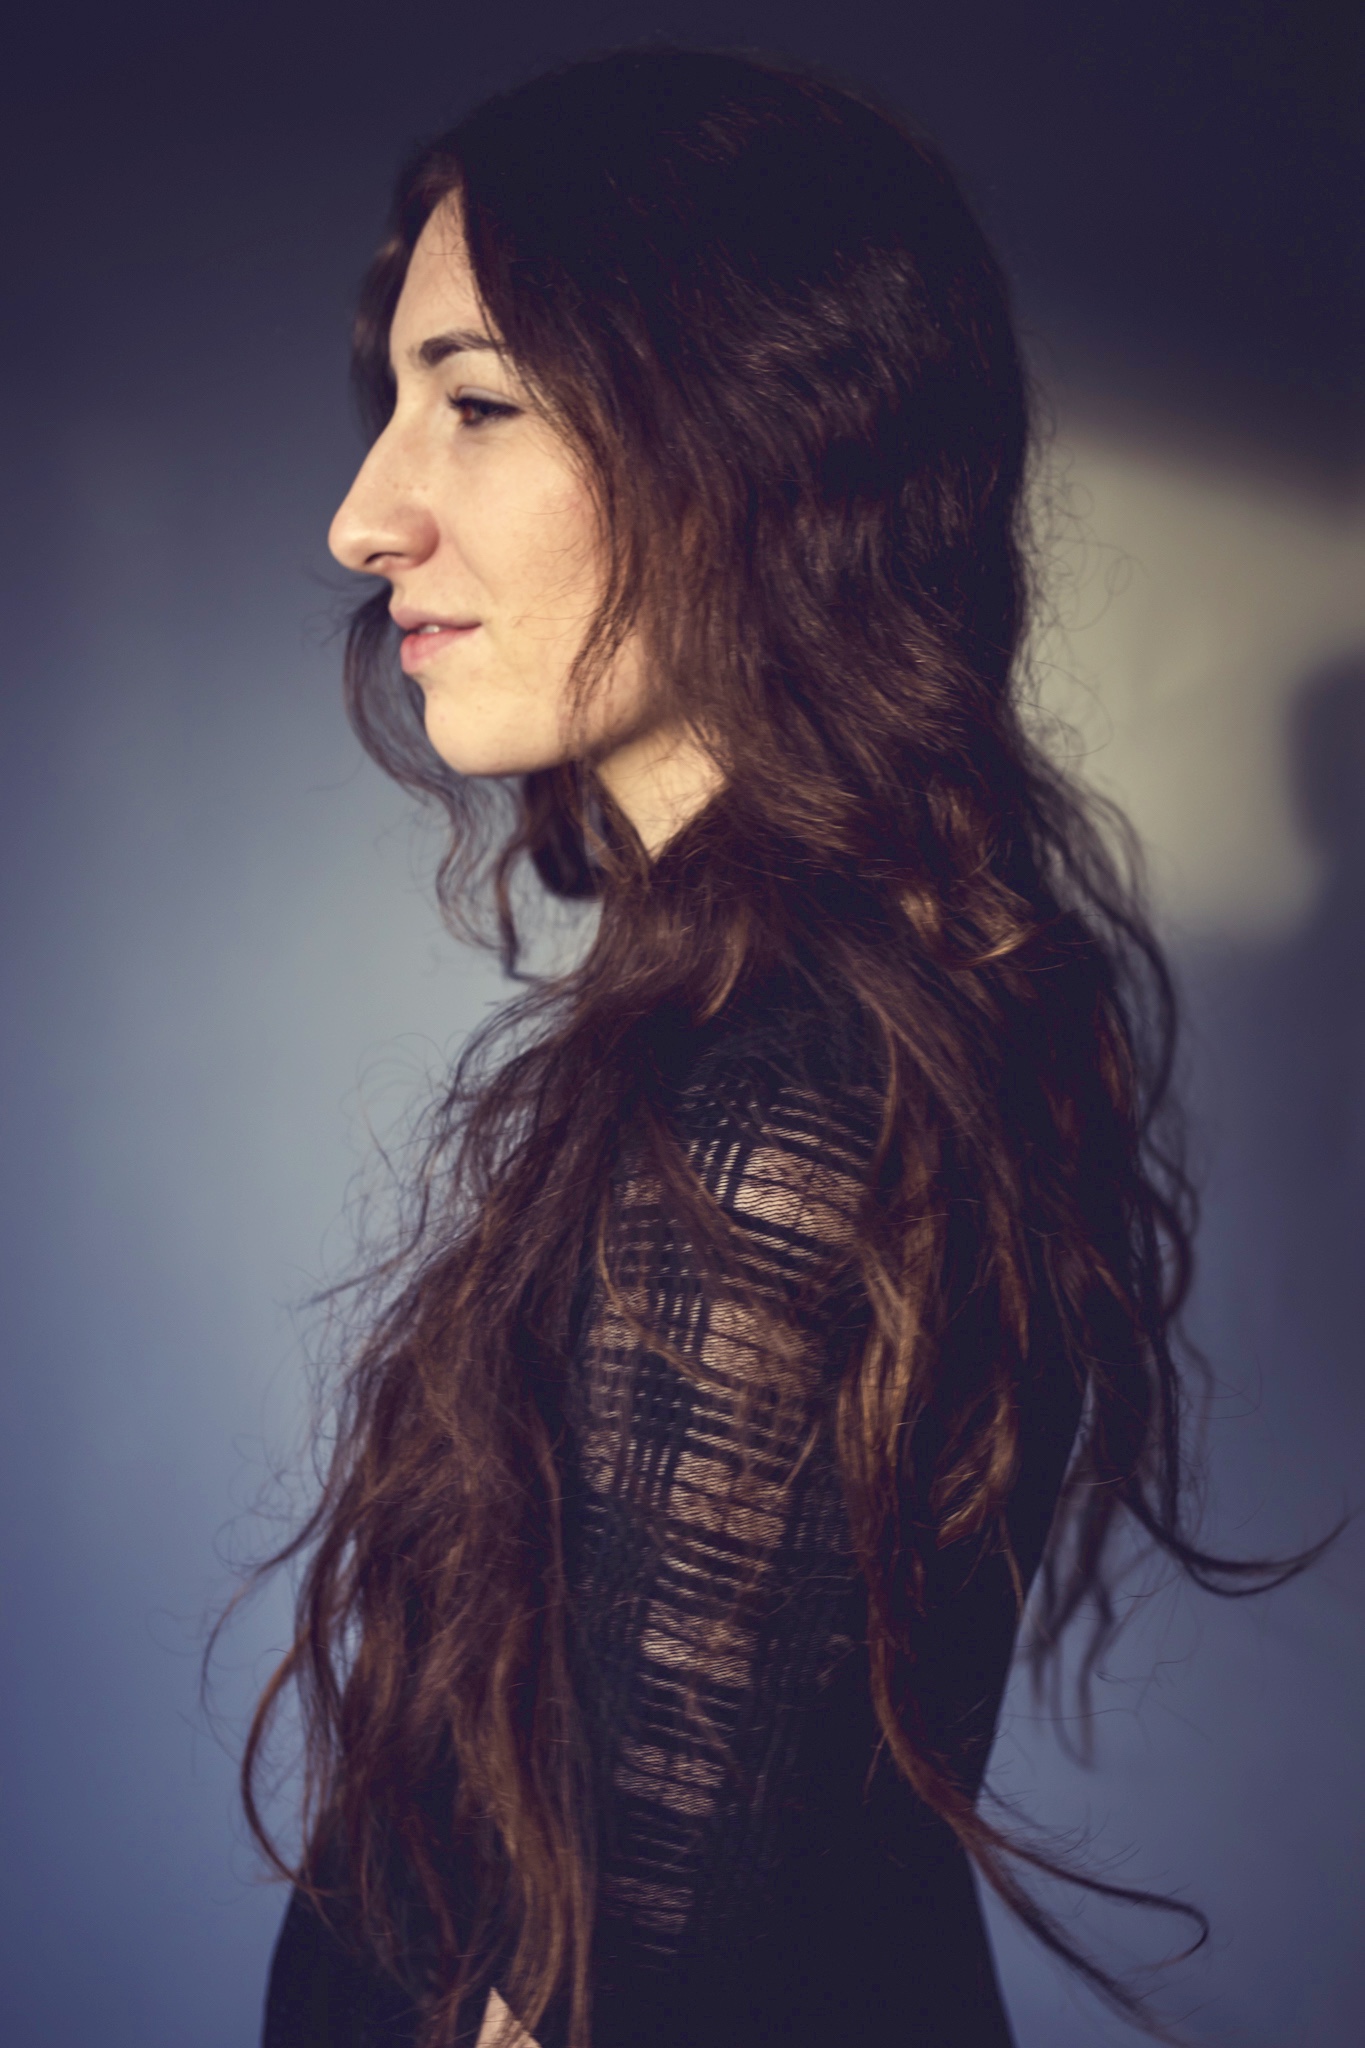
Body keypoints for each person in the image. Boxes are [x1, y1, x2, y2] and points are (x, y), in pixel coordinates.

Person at [245, 45, 1320, 2048]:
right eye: (391, 403)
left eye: (473, 402)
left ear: (754, 437)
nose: (361, 515)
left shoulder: (781, 1091)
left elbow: (640, 1977)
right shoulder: (885, 988)